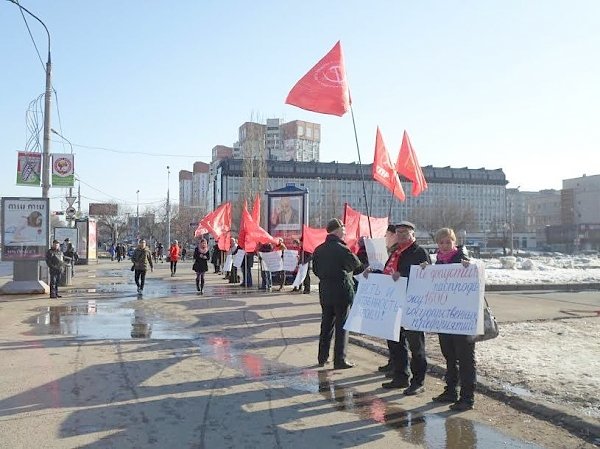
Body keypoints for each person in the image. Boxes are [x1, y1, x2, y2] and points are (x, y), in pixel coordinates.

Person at [377, 221, 431, 395]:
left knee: (416, 346)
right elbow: (388, 273)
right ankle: (400, 376)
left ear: (413, 234)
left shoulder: (419, 252)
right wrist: (373, 274)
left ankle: (418, 381)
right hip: (394, 304)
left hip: (413, 305)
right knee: (395, 342)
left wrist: (403, 275)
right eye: (398, 232)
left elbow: (426, 276)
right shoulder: (395, 252)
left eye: (405, 233)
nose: (401, 235)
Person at [425, 227, 475, 411]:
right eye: (441, 242)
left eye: (448, 242)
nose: (445, 245)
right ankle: (451, 391)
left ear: (454, 242)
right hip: (444, 318)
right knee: (449, 356)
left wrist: (468, 269)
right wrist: (425, 272)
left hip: (462, 319)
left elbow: (473, 282)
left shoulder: (462, 260)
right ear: (437, 244)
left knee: (465, 359)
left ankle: (467, 397)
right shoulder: (438, 262)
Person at [312, 218, 362, 370]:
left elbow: (315, 270)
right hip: (342, 291)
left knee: (326, 324)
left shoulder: (319, 249)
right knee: (342, 326)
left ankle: (322, 357)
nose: (345, 232)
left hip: (325, 291)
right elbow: (356, 265)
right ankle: (340, 359)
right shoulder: (342, 248)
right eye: (344, 230)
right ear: (337, 229)